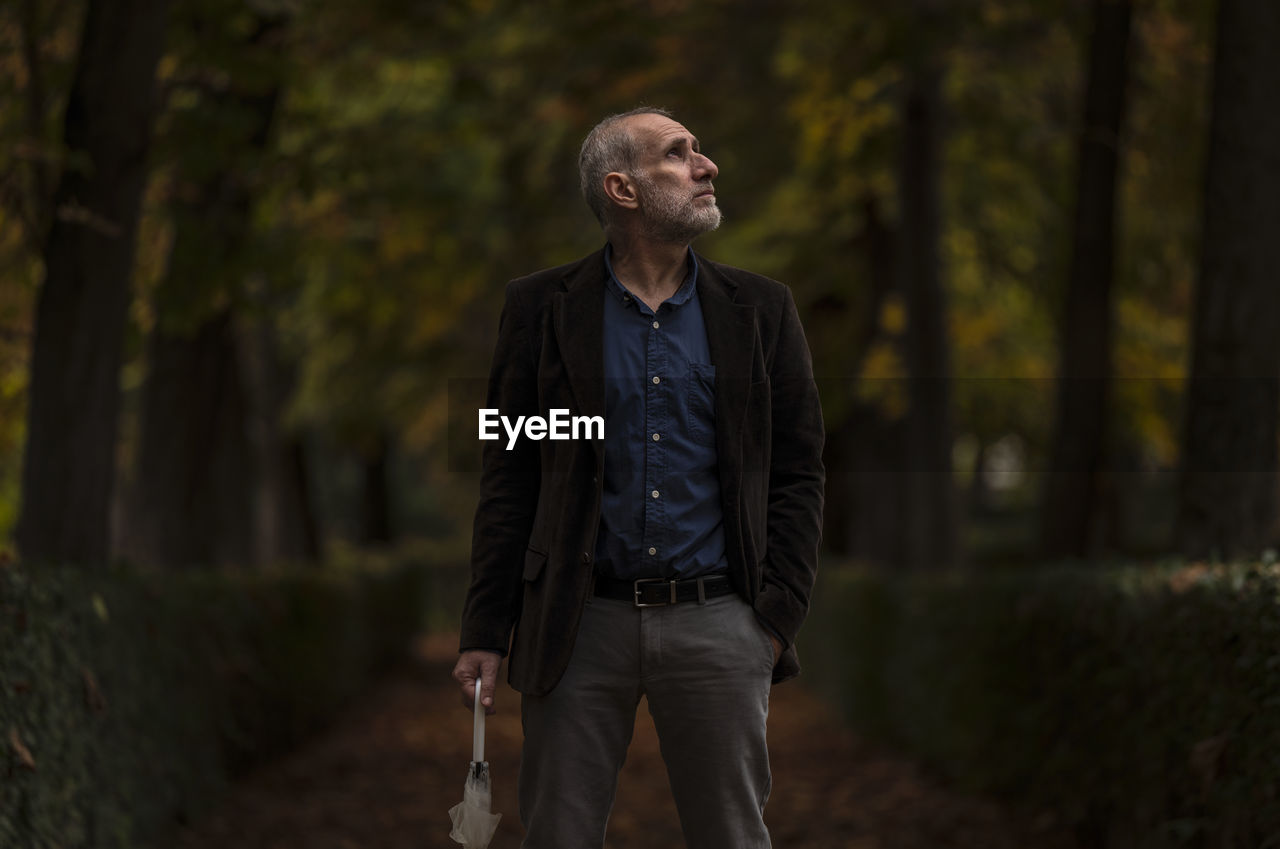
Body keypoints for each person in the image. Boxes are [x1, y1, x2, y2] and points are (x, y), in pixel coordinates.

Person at [452, 106, 825, 849]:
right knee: (558, 835)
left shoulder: (762, 310)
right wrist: (486, 628)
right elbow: (510, 472)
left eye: (700, 149)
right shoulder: (539, 309)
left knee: (733, 837)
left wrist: (774, 618)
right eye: (679, 154)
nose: (706, 165)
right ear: (622, 189)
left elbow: (797, 469)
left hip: (722, 620)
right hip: (576, 623)